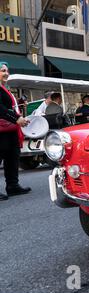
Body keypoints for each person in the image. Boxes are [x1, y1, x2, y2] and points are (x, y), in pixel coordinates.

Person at [0, 61, 31, 201]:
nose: (6, 73)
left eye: (7, 70)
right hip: (2, 130)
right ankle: (12, 185)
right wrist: (17, 118)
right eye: (2, 70)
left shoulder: (4, 88)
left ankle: (13, 186)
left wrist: (19, 103)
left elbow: (8, 106)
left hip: (10, 129)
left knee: (13, 158)